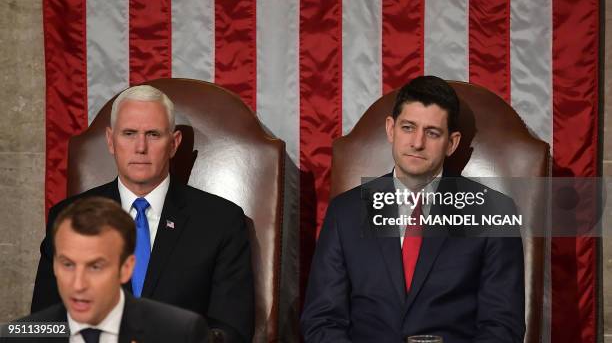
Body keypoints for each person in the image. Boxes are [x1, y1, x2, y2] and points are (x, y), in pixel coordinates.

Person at [300, 76, 525, 342]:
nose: (417, 143)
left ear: (451, 143)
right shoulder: (346, 211)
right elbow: (322, 320)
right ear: (391, 130)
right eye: (408, 127)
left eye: (432, 133)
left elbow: (501, 327)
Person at [32, 85, 253, 342]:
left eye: (153, 134)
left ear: (173, 144)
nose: (140, 147)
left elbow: (232, 330)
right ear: (110, 141)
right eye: (129, 133)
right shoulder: (68, 217)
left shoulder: (220, 221)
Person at [13, 197, 209, 343]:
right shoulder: (20, 337)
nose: (78, 285)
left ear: (126, 268)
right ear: (54, 264)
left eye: (95, 267)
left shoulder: (180, 333)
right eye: (68, 265)